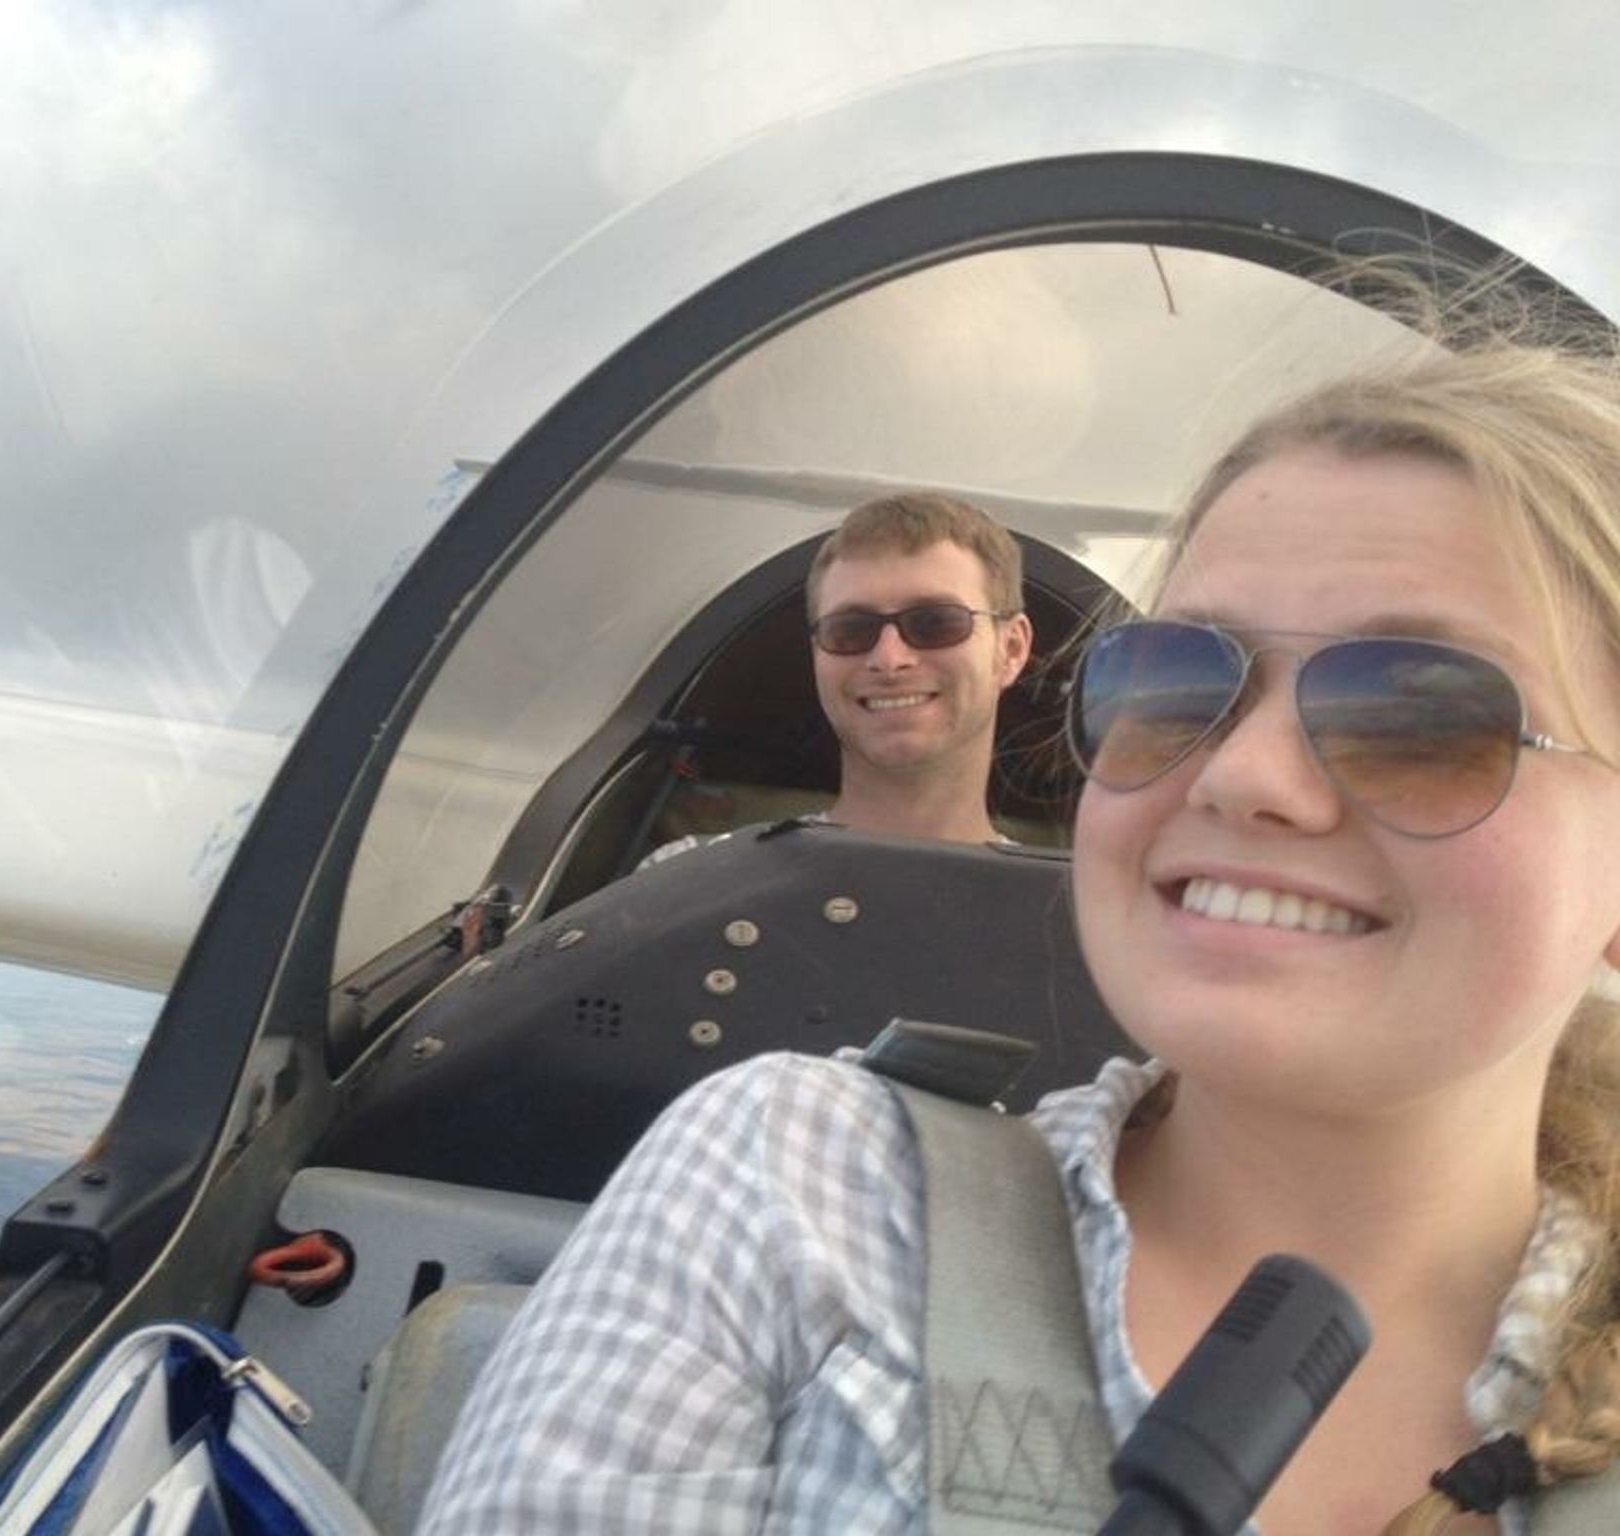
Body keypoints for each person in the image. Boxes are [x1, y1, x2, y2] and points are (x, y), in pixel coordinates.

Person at [416, 310, 1620, 1535]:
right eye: (1175, 683)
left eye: (1419, 714)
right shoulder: (793, 1189)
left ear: (1010, 651)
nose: (1239, 774)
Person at [641, 491, 1034, 865]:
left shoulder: (1061, 903)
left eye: (935, 622)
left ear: (1012, 649)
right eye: (851, 629)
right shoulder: (689, 882)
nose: (889, 659)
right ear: (817, 653)